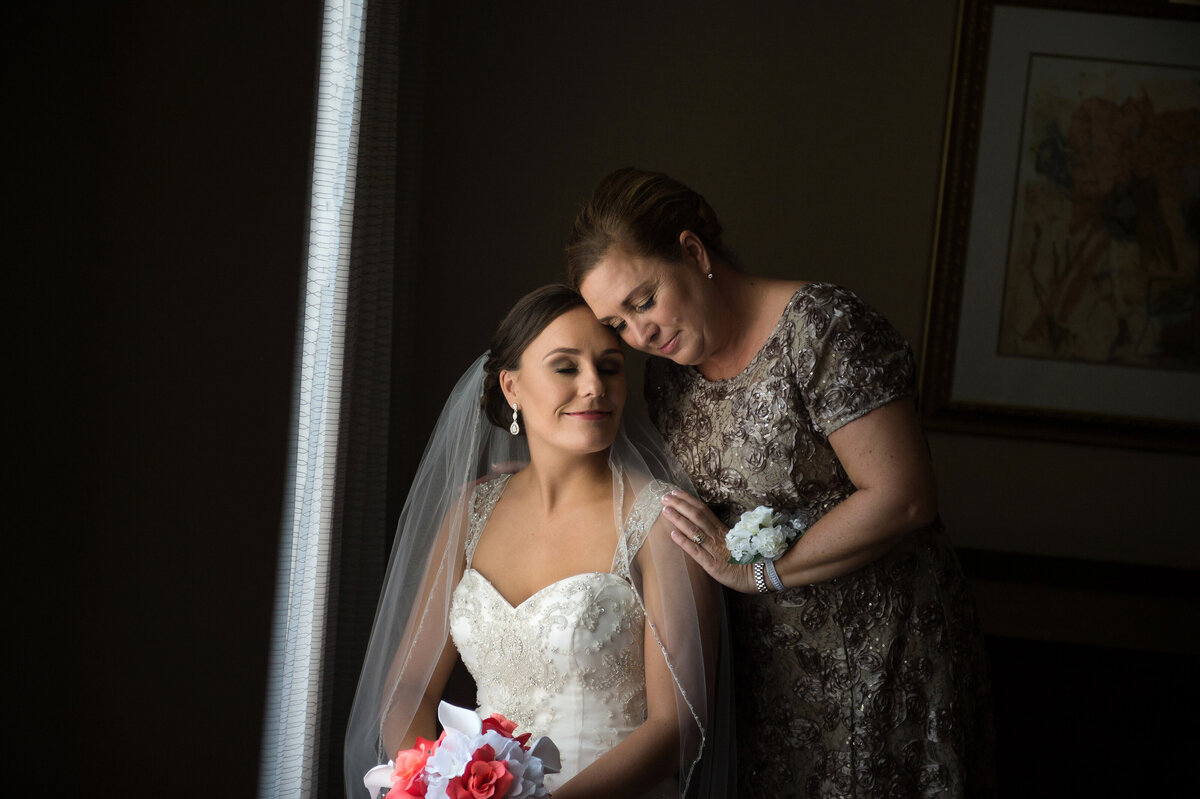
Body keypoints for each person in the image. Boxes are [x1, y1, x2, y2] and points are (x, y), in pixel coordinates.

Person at [568, 168, 994, 797]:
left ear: (692, 252)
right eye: (618, 326)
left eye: (644, 301)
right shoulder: (668, 381)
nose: (641, 335)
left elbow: (902, 498)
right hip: (760, 670)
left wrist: (757, 573)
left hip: (881, 652)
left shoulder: (823, 329)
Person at [344, 285, 727, 799]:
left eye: (610, 367)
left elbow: (678, 727)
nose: (595, 386)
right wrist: (430, 785)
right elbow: (409, 689)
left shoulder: (660, 520)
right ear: (512, 388)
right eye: (566, 368)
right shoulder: (470, 512)